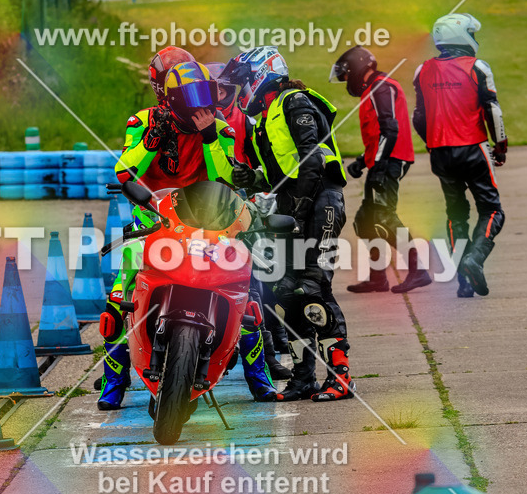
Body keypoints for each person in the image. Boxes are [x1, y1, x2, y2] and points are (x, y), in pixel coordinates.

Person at [97, 59, 277, 409]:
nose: (200, 105)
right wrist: (151, 141)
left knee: (247, 294)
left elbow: (224, 177)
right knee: (120, 294)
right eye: (190, 95)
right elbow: (124, 171)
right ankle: (113, 383)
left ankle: (259, 378)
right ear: (169, 95)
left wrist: (209, 136)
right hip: (153, 219)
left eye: (203, 93)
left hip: (209, 219)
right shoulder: (144, 121)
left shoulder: (221, 127)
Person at [225, 47, 355, 402]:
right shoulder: (265, 119)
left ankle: (340, 375)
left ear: (262, 74)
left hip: (321, 203)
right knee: (283, 291)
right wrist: (250, 177)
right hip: (291, 210)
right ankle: (303, 377)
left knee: (312, 287)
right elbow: (276, 176)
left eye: (244, 82)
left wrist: (298, 210)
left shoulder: (294, 101)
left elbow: (313, 158)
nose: (241, 92)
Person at [207, 60, 291, 383]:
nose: (219, 97)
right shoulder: (196, 123)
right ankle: (124, 372)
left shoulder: (248, 124)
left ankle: (267, 359)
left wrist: (257, 195)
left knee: (256, 284)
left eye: (224, 90)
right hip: (203, 210)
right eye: (213, 91)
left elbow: (264, 170)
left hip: (240, 210)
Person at [413, 13, 507, 297]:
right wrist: (500, 145)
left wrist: (432, 145)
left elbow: (419, 117)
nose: (475, 38)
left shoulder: (422, 70)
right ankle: (474, 259)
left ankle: (463, 282)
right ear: (461, 36)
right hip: (473, 147)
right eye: (471, 33)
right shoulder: (477, 67)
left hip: (440, 154)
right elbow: (493, 109)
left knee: (456, 215)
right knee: (492, 210)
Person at [331, 46, 431, 294]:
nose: (346, 82)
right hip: (382, 161)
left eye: (346, 76)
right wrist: (362, 162)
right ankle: (377, 278)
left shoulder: (379, 87)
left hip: (390, 162)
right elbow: (378, 135)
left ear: (356, 70)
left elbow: (390, 129)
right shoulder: (373, 89)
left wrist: (378, 164)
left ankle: (418, 271)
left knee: (384, 217)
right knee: (366, 221)